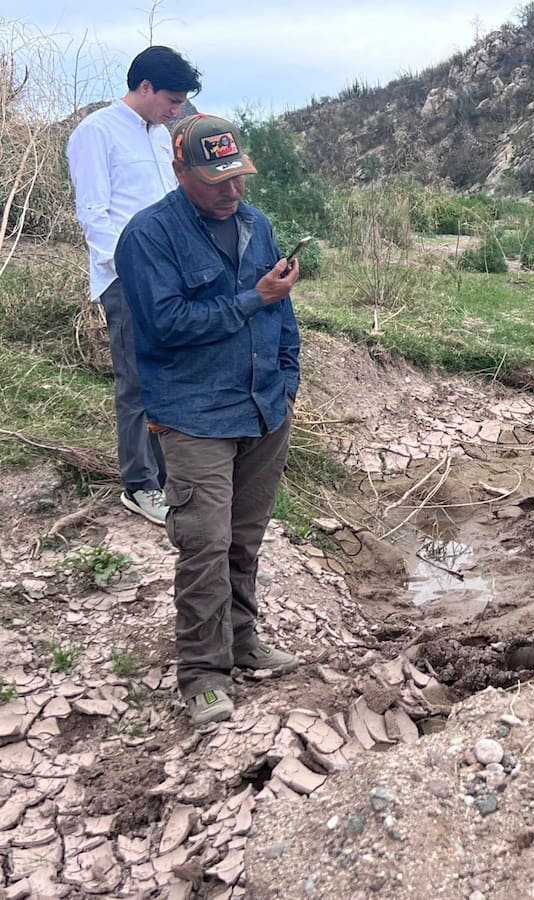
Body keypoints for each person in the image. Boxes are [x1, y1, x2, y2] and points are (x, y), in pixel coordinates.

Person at [114, 113, 301, 726]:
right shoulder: (148, 236)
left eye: (238, 177)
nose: (231, 191)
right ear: (179, 171)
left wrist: (287, 378)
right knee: (203, 543)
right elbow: (166, 325)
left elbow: (283, 313)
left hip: (262, 407)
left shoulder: (257, 225)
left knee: (246, 537)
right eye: (216, 180)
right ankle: (201, 674)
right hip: (193, 416)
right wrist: (256, 299)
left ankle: (242, 643)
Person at [66, 46, 202, 526]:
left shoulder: (162, 137)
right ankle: (139, 485)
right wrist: (128, 269)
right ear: (144, 87)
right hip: (128, 278)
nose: (177, 109)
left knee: (175, 373)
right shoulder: (96, 132)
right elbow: (94, 214)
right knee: (137, 381)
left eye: (181, 102)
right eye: (171, 99)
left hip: (172, 275)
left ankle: (172, 477)